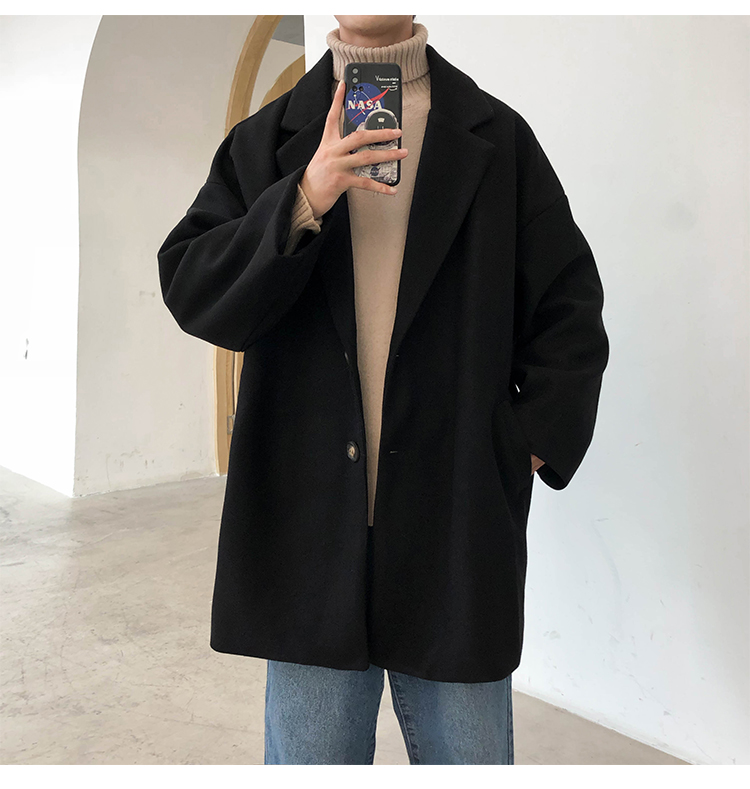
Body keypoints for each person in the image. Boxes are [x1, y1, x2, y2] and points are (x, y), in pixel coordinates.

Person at [158, 15, 609, 766]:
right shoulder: (268, 142)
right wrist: (304, 196)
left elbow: (569, 307)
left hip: (454, 519)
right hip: (308, 525)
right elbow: (194, 290)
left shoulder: (498, 139)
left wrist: (523, 444)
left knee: (470, 761)